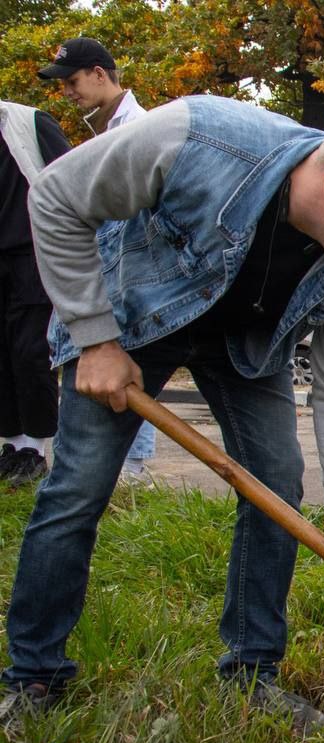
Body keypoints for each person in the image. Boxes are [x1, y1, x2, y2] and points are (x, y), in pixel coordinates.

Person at [0, 96, 324, 738]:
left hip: (249, 341)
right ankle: (34, 678)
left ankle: (251, 674)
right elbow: (53, 198)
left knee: (277, 479)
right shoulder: (197, 138)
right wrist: (95, 338)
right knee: (77, 488)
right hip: (132, 319)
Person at [39, 36, 156, 482]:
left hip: (134, 274)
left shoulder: (138, 128)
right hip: (113, 272)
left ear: (100, 74)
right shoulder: (107, 129)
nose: (68, 92)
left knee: (132, 368)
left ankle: (132, 470)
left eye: (72, 81)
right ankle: (121, 471)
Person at [0, 102, 70, 486]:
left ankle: (36, 447)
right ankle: (11, 445)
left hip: (31, 252)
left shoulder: (28, 120)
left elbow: (68, 176)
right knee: (3, 353)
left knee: (30, 351)